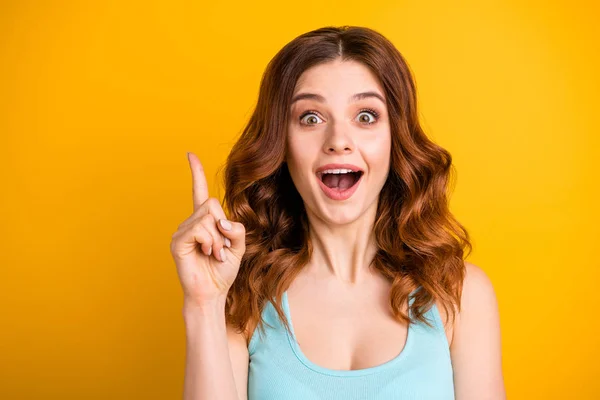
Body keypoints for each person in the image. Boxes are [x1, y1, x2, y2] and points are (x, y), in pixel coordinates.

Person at [170, 25, 505, 400]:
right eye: (311, 118)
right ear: (280, 143)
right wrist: (204, 304)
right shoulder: (242, 296)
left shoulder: (461, 293)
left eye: (365, 116)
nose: (339, 142)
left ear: (396, 138)